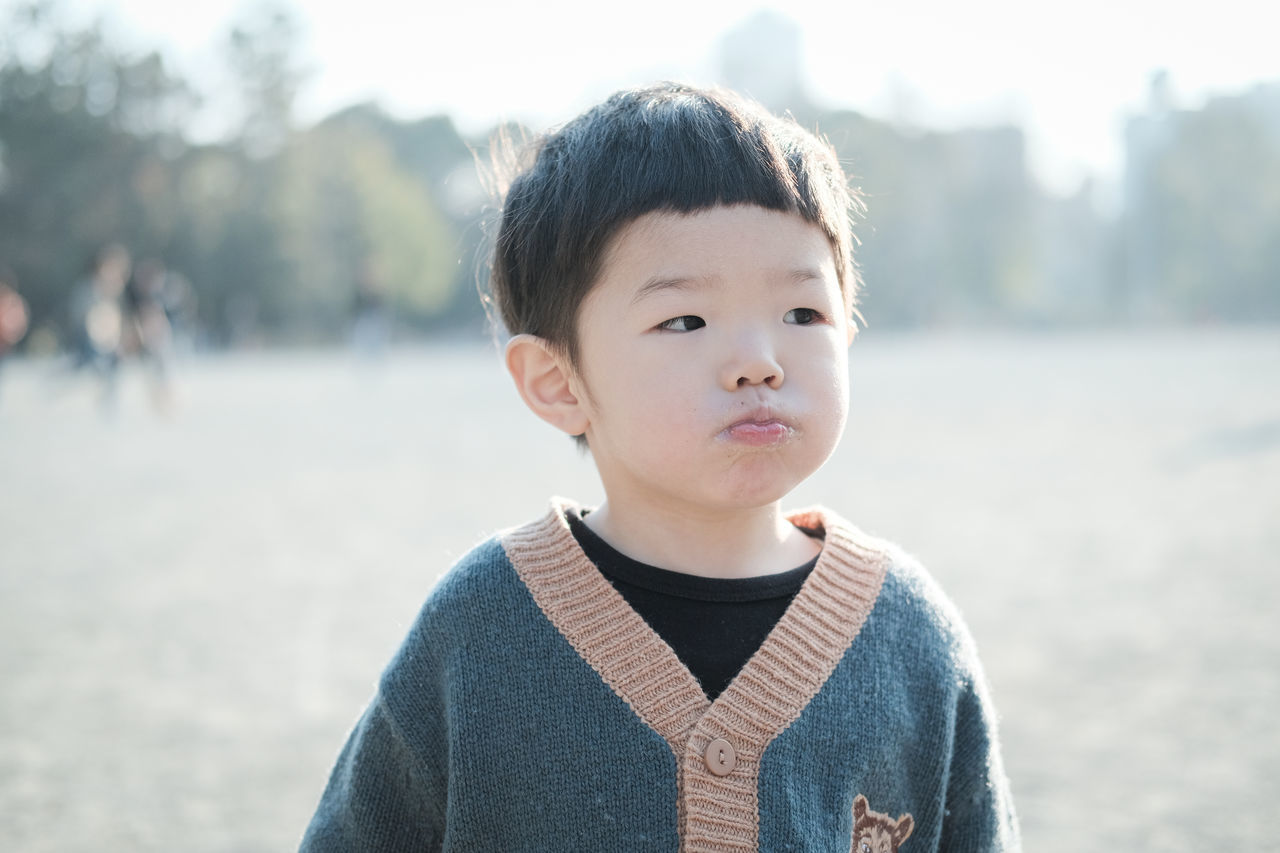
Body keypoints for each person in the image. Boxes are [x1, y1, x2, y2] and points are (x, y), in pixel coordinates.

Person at [300, 83, 1020, 851]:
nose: (758, 362)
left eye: (802, 313)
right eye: (685, 319)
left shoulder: (910, 637)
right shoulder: (480, 631)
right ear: (558, 381)